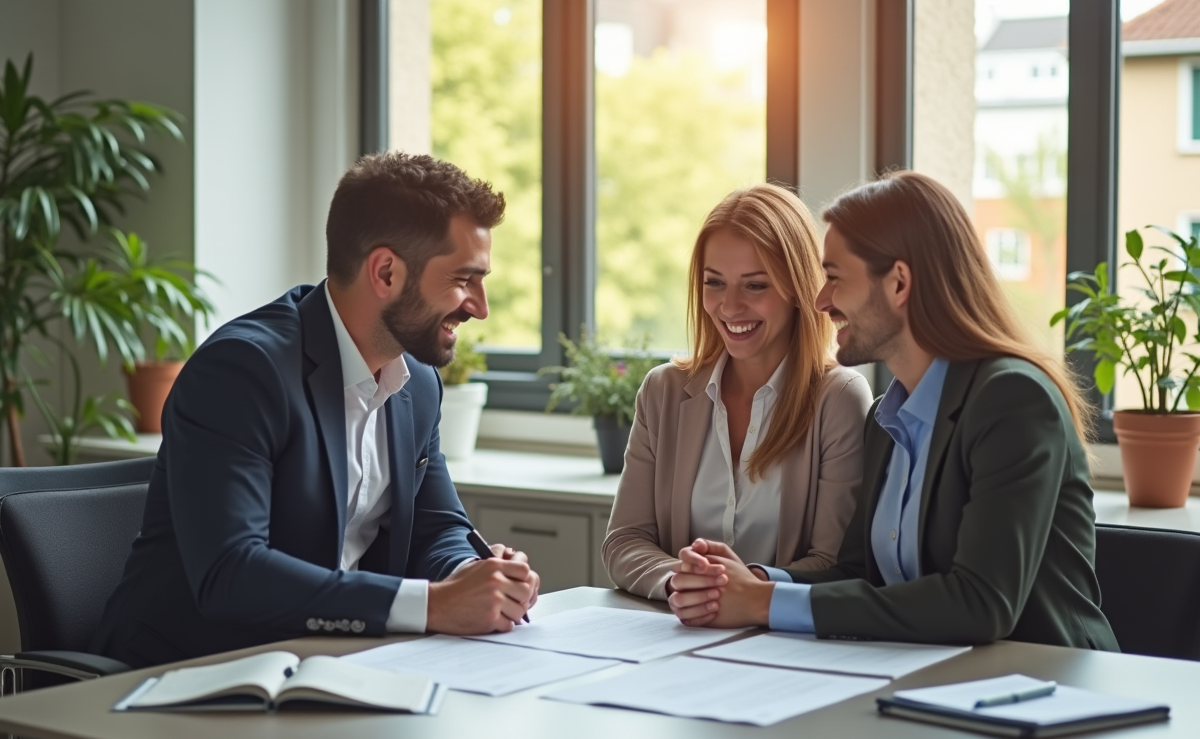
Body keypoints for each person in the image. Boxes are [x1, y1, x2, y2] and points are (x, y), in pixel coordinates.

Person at [92, 153, 541, 668]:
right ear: (387, 272)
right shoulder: (243, 370)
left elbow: (436, 529)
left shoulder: (417, 383)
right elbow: (231, 574)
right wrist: (435, 605)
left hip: (321, 669)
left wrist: (471, 574)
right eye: (464, 279)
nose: (480, 306)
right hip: (179, 677)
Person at [667, 171, 1119, 651]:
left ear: (899, 283)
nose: (820, 301)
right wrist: (754, 582)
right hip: (931, 682)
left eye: (835, 278)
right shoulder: (888, 418)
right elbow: (864, 577)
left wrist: (764, 604)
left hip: (1048, 691)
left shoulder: (1012, 401)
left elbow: (980, 603)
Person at [603, 183, 872, 600]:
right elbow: (624, 541)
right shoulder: (663, 392)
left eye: (755, 286)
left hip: (782, 640)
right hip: (677, 632)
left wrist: (744, 590)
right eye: (715, 283)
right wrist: (679, 579)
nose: (729, 307)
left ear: (798, 289)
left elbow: (834, 562)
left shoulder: (839, 398)